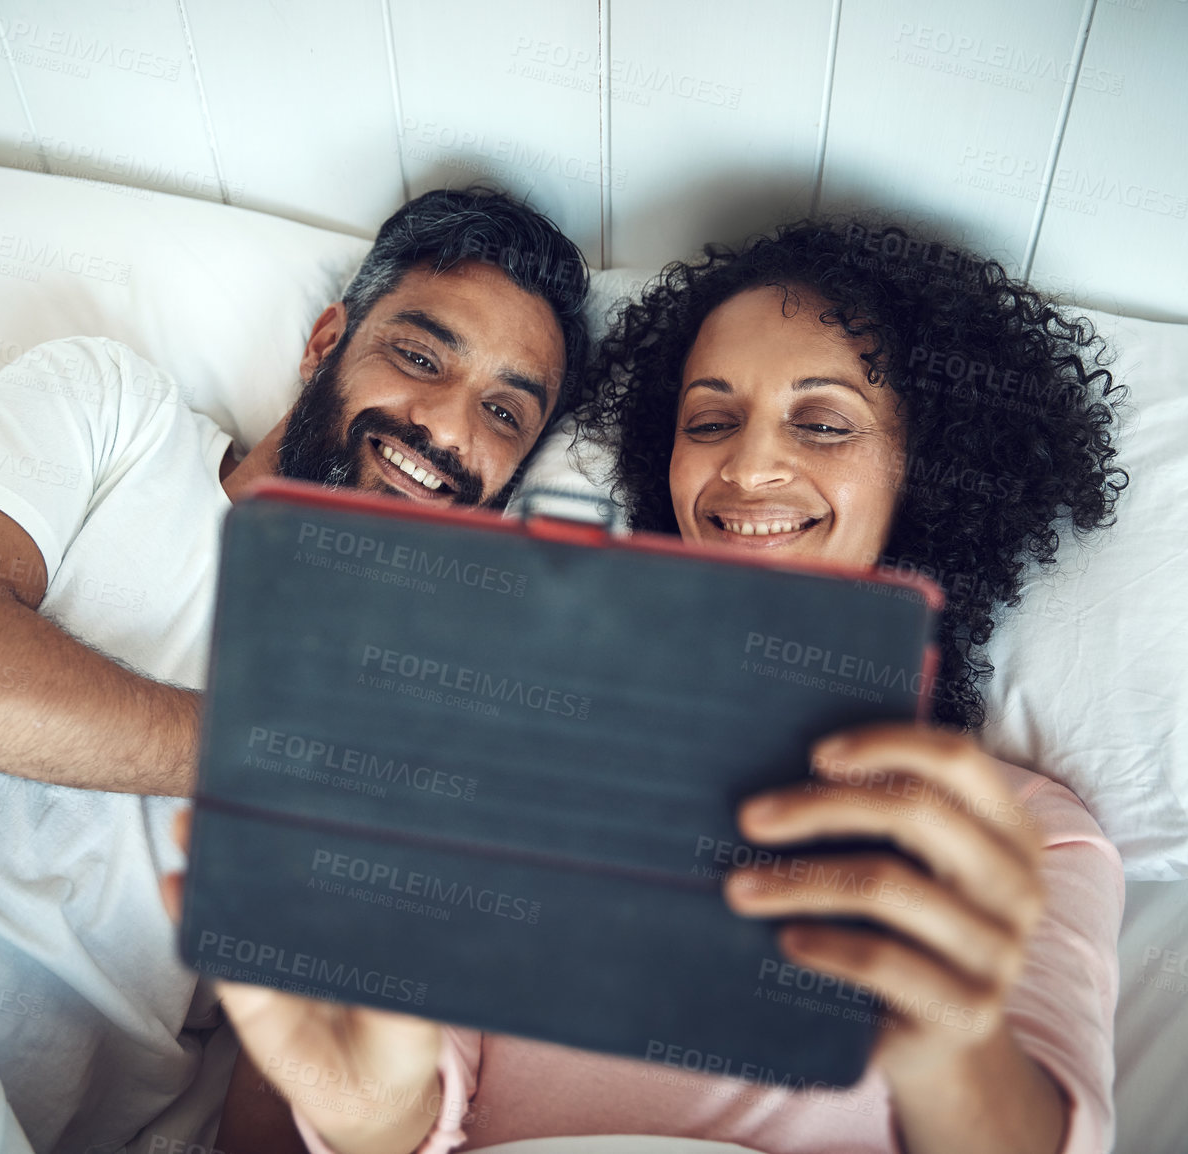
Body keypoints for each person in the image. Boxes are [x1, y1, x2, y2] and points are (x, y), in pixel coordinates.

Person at [165, 220, 1129, 1154]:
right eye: (710, 420)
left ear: (925, 475)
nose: (749, 466)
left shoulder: (1024, 834)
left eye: (823, 422)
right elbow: (406, 1104)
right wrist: (361, 1104)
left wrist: (953, 1050)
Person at [0, 186, 591, 1153]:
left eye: (502, 411)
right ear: (326, 341)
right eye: (417, 357)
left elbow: (291, 1073)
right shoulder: (112, 409)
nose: (448, 428)